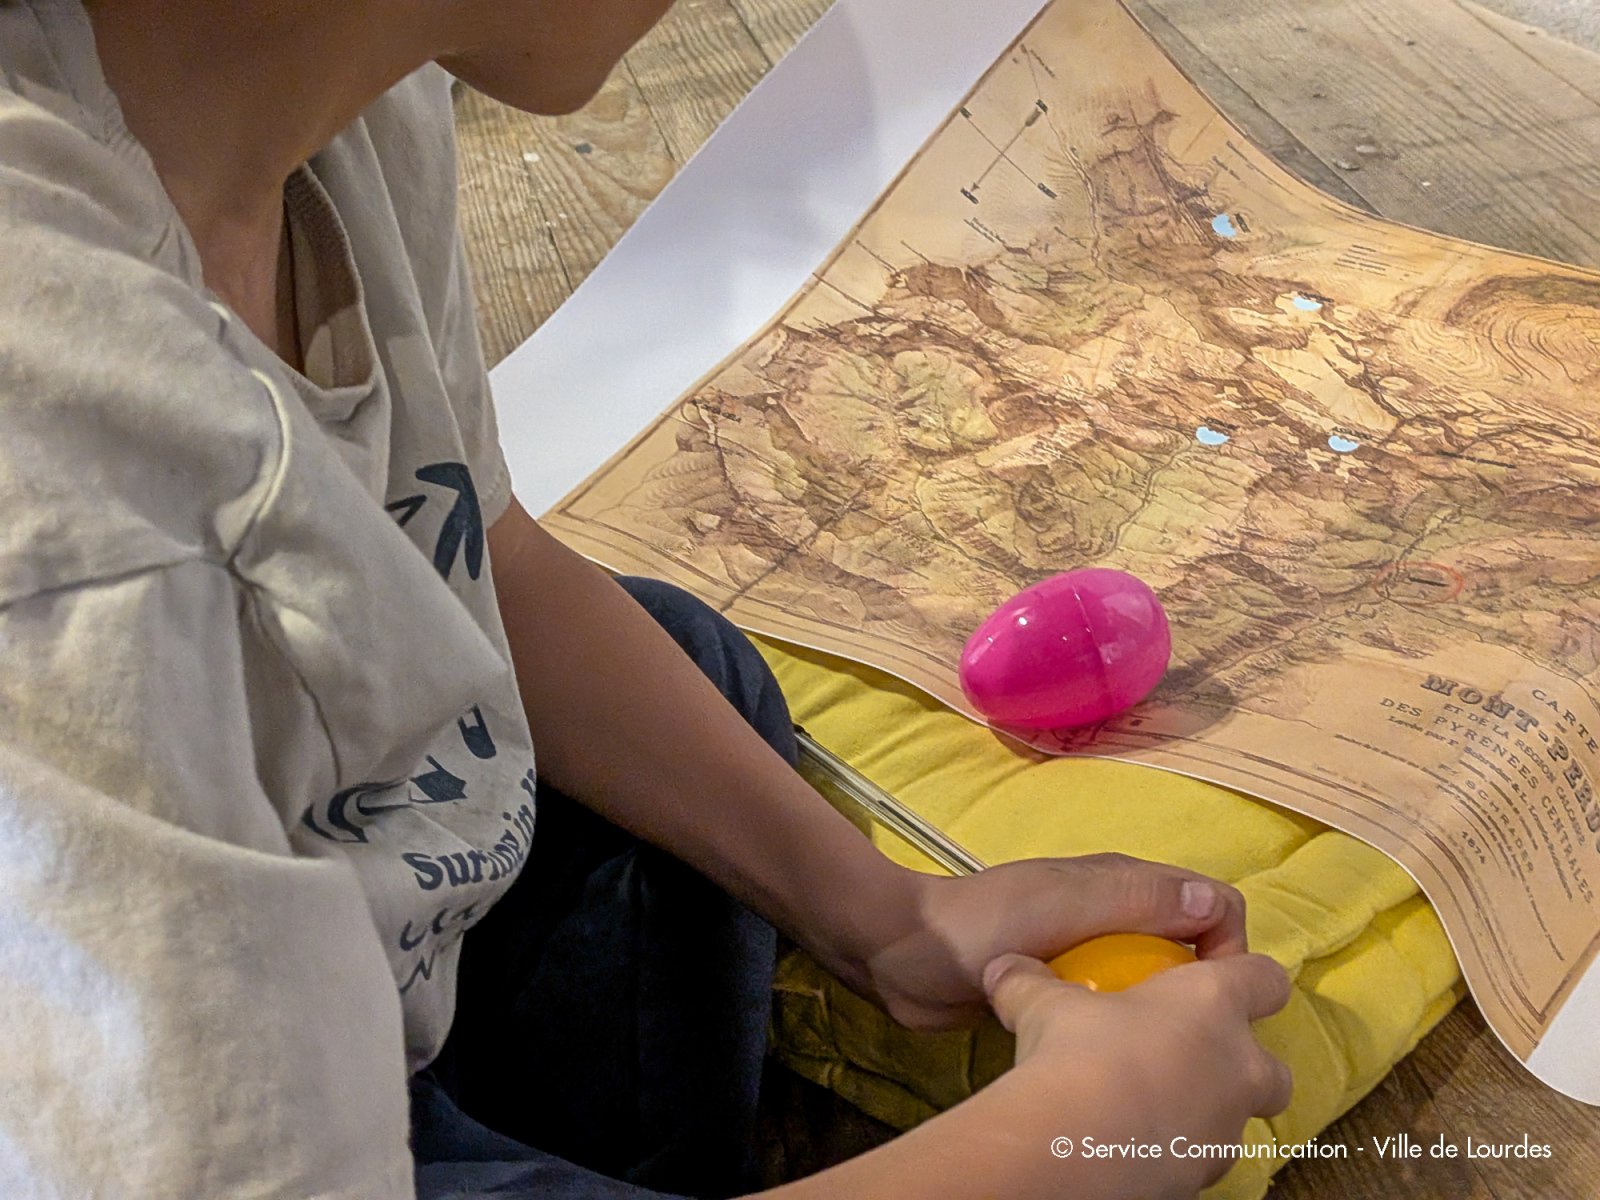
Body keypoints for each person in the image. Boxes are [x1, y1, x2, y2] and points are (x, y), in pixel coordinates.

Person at [0, 0, 1293, 1196]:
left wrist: (886, 916)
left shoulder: (331, 92)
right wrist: (1070, 1150)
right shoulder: (58, 435)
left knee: (687, 663)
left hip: (323, 961)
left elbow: (471, 546)